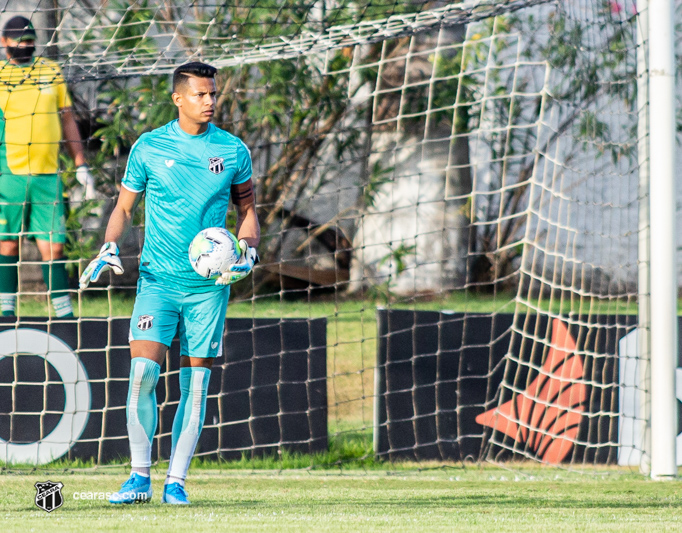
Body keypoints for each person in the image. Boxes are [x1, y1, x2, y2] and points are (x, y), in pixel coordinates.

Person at [79, 61, 260, 505]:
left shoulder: (233, 151)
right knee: (142, 374)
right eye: (200, 94)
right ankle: (139, 477)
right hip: (157, 281)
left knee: (195, 386)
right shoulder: (149, 146)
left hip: (208, 288)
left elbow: (248, 210)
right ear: (178, 98)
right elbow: (123, 209)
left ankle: (175, 482)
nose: (210, 101)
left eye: (213, 94)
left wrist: (248, 250)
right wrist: (109, 246)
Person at [0, 15, 95, 318]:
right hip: (8, 174)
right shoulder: (0, 75)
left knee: (53, 248)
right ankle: (5, 314)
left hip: (48, 174)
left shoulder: (50, 71)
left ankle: (64, 316)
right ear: (4, 43)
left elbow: (66, 119)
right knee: (7, 246)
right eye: (18, 41)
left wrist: (81, 164)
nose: (24, 46)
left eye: (29, 41)